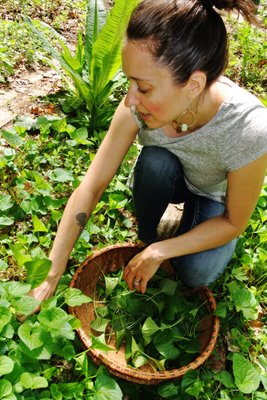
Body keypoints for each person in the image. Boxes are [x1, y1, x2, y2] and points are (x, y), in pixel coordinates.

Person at [30, 0, 267, 302]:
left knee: (196, 273)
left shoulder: (249, 128)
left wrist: (161, 251)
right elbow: (92, 185)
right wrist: (50, 274)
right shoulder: (138, 108)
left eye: (143, 88)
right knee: (156, 162)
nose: (130, 100)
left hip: (213, 195)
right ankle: (150, 232)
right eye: (130, 83)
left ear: (193, 85)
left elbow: (234, 221)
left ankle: (173, 233)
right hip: (170, 176)